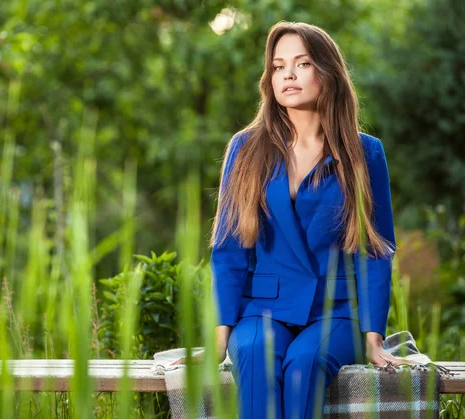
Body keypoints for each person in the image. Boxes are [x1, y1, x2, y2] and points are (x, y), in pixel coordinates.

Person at [173, 21, 419, 418]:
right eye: (277, 66)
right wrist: (219, 339)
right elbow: (228, 250)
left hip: (337, 309)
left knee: (303, 366)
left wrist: (374, 338)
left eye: (302, 64)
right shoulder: (246, 148)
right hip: (262, 307)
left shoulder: (365, 153)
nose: (287, 74)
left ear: (329, 73)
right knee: (255, 354)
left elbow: (375, 251)